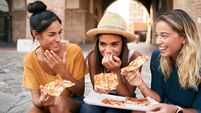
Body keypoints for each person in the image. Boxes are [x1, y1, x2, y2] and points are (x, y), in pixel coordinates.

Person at [123, 9, 201, 113]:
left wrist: (176, 110)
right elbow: (157, 99)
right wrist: (140, 83)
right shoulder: (157, 57)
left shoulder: (198, 64)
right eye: (157, 35)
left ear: (184, 37)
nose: (157, 41)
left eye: (164, 35)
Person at [22, 1, 86, 113]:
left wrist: (62, 71)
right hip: (47, 105)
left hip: (70, 102)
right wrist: (41, 101)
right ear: (36, 34)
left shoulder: (73, 51)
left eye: (59, 33)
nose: (58, 39)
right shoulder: (30, 59)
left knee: (58, 103)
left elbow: (80, 91)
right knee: (32, 111)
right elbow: (36, 99)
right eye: (52, 34)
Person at [79, 11, 143, 113]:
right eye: (103, 44)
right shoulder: (93, 56)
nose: (108, 50)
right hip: (101, 98)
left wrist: (116, 72)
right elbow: (97, 88)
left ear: (123, 43)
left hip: (124, 99)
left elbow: (128, 95)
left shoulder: (134, 57)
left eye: (114, 44)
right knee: (87, 109)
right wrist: (99, 87)